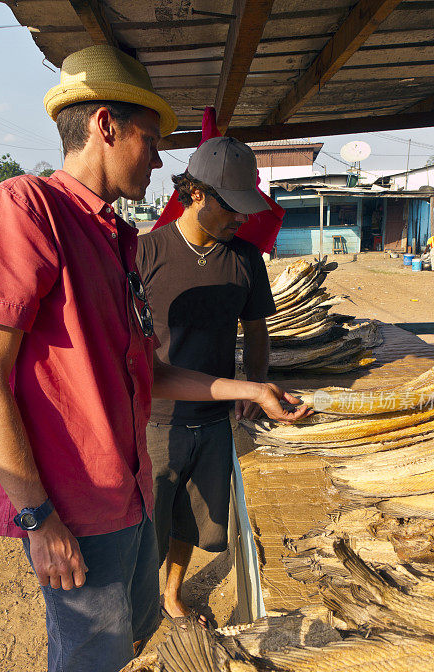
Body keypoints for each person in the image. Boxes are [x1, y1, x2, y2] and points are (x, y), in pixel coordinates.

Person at [0, 46, 310, 672]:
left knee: (124, 643)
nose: (158, 164)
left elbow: (146, 375)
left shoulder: (115, 239)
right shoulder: (24, 210)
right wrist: (35, 514)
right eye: (152, 141)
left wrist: (249, 385)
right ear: (107, 125)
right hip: (73, 508)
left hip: (129, 491)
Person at [136, 138, 279, 627]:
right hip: (153, 422)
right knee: (145, 525)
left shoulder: (245, 258)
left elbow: (256, 330)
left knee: (197, 521)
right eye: (231, 206)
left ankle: (171, 594)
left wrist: (255, 384)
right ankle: (135, 612)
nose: (241, 218)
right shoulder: (144, 253)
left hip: (216, 419)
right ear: (195, 193)